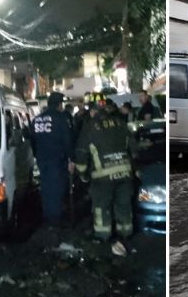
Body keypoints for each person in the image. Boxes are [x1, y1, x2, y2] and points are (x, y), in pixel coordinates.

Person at [74, 100, 136, 255]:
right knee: (124, 205)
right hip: (125, 173)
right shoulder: (120, 123)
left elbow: (81, 153)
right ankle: (125, 235)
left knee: (102, 207)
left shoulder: (90, 127)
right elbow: (133, 147)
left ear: (94, 112)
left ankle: (103, 238)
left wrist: (82, 175)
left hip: (103, 177)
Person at [30, 91, 74, 227]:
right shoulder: (61, 119)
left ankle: (48, 216)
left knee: (46, 188)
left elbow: (32, 140)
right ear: (59, 104)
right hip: (58, 160)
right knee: (57, 189)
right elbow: (68, 141)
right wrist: (71, 159)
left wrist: (37, 155)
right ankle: (55, 220)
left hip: (43, 160)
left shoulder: (36, 120)